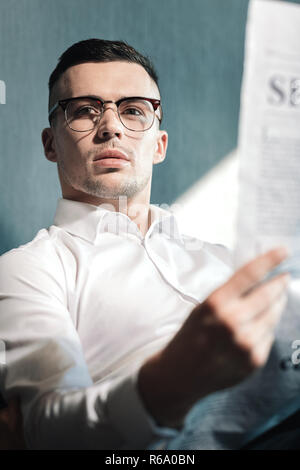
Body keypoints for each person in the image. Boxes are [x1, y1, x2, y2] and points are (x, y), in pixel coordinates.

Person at [0, 38, 295, 450]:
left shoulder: (231, 262)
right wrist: (170, 380)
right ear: (51, 144)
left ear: (159, 145)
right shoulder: (31, 267)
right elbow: (47, 428)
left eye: (133, 110)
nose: (111, 126)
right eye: (84, 111)